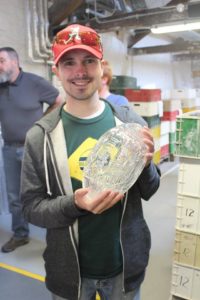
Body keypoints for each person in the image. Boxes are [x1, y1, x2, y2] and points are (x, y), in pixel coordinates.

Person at [21, 24, 160, 300]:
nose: (80, 72)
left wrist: (145, 166)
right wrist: (75, 203)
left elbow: (150, 189)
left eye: (88, 61)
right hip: (70, 273)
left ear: (101, 66)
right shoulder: (40, 137)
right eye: (69, 63)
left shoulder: (131, 124)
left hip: (124, 266)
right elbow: (31, 208)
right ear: (56, 70)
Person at [0, 47, 63, 253]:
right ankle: (20, 234)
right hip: (9, 149)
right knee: (14, 196)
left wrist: (42, 123)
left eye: (1, 60)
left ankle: (57, 237)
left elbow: (58, 101)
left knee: (47, 192)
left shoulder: (34, 82)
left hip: (35, 148)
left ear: (14, 62)